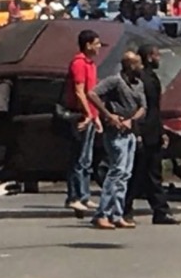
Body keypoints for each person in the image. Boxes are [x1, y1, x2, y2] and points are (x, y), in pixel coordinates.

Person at [87, 52, 146, 230]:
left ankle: (117, 214)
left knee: (125, 174)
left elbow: (143, 107)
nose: (141, 67)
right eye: (138, 64)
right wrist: (108, 115)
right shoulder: (115, 81)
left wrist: (132, 120)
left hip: (130, 133)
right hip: (115, 133)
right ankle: (102, 214)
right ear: (130, 66)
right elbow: (92, 94)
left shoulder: (138, 84)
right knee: (116, 171)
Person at [123, 46, 180, 225]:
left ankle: (160, 211)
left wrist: (161, 131)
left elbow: (156, 109)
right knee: (136, 174)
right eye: (156, 56)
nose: (158, 59)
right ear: (148, 57)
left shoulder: (151, 77)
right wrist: (139, 132)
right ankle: (124, 209)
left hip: (154, 131)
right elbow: (141, 108)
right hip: (143, 132)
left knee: (153, 174)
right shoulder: (141, 80)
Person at [62, 30, 103, 217]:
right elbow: (80, 91)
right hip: (80, 115)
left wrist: (96, 116)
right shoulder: (79, 63)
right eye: (97, 43)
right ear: (88, 45)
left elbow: (92, 92)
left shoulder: (91, 64)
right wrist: (87, 113)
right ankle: (74, 196)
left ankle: (84, 196)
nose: (99, 47)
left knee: (86, 159)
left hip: (90, 116)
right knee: (78, 159)